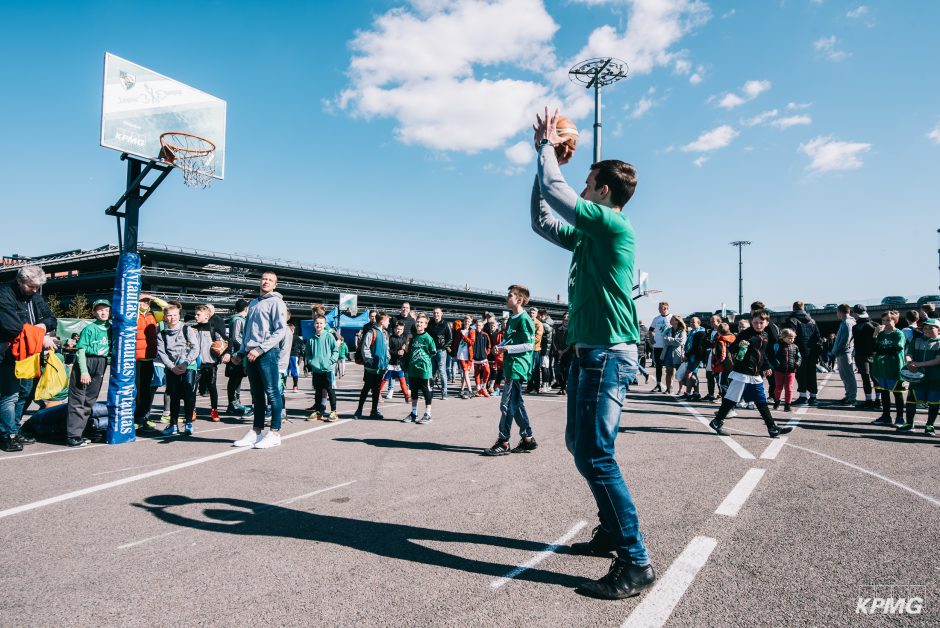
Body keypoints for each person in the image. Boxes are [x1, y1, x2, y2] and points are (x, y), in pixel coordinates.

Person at [529, 110, 654, 600]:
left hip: (608, 354)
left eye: (588, 182)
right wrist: (538, 162)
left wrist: (545, 148)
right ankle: (610, 531)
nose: (581, 187)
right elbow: (542, 218)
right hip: (589, 354)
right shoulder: (588, 234)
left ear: (604, 192)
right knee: (581, 448)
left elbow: (558, 195)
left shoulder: (611, 227)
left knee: (597, 455)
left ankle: (635, 560)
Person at [709, 310, 794, 439]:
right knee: (731, 399)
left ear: (766, 323)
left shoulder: (765, 336)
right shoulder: (745, 334)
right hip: (742, 373)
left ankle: (772, 428)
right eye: (755, 322)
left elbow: (762, 355)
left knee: (761, 401)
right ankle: (717, 421)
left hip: (755, 375)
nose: (758, 325)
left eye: (761, 322)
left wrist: (766, 367)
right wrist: (740, 346)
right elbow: (732, 349)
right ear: (751, 322)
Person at [0, 265, 57, 452]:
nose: (34, 290)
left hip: (31, 353)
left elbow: (51, 319)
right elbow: (12, 326)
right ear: (19, 281)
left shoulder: (35, 297)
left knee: (27, 392)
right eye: (31, 286)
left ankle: (14, 429)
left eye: (37, 287)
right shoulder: (4, 295)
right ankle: (6, 435)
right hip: (8, 353)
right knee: (9, 395)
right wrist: (41, 337)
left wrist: (41, 325)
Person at [233, 271, 288, 449]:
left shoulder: (277, 302)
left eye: (270, 280)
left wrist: (260, 348)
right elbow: (247, 331)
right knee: (256, 395)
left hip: (267, 353)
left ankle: (274, 432)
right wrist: (241, 352)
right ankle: (256, 431)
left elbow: (280, 331)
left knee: (272, 392)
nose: (266, 282)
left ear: (275, 284)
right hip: (250, 353)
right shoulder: (254, 302)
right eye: (264, 279)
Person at [483, 285, 535, 457]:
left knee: (506, 405)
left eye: (510, 295)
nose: (507, 297)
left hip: (517, 367)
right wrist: (501, 346)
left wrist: (507, 349)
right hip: (510, 365)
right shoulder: (512, 318)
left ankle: (503, 441)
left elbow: (529, 345)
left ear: (519, 299)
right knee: (516, 404)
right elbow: (509, 340)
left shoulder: (525, 319)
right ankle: (528, 438)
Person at [65, 299, 111, 447]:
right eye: (99, 310)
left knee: (90, 400)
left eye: (106, 309)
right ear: (94, 312)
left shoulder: (111, 328)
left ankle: (82, 432)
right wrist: (84, 371)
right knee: (78, 398)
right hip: (87, 361)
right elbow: (81, 350)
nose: (103, 312)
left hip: (101, 362)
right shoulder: (90, 329)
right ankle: (73, 435)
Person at [155, 303, 200, 437]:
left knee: (188, 394)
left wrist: (186, 363)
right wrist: (172, 367)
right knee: (173, 395)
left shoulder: (187, 329)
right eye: (169, 315)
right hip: (172, 367)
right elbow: (161, 352)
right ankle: (173, 425)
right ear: (164, 317)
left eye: (175, 315)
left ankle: (188, 423)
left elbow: (195, 348)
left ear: (179, 316)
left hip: (188, 365)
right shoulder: (162, 333)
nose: (172, 318)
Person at [134, 293, 168, 430]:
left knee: (146, 390)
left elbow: (168, 309)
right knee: (136, 390)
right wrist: (135, 302)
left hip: (148, 358)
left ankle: (144, 417)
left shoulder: (153, 315)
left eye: (147, 302)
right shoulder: (132, 313)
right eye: (142, 301)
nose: (145, 303)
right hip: (134, 359)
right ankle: (135, 418)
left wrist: (155, 299)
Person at [901, 318, 940, 435]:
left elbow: (937, 360)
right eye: (925, 327)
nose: (927, 330)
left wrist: (917, 364)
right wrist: (909, 362)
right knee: (911, 401)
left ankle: (929, 426)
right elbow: (908, 354)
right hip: (916, 378)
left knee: (933, 403)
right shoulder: (917, 340)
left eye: (931, 327)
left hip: (935, 378)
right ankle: (909, 424)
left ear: (938, 329)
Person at [870, 311, 906, 426]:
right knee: (884, 393)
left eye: (888, 320)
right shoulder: (880, 334)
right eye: (883, 320)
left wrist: (880, 351)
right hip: (882, 368)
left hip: (894, 368)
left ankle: (900, 418)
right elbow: (873, 348)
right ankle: (886, 416)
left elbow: (895, 349)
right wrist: (875, 334)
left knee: (897, 393)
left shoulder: (898, 334)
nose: (885, 323)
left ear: (895, 321)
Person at [784, 301, 822, 407]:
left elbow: (789, 336)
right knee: (812, 373)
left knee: (801, 374)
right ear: (803, 308)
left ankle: (803, 396)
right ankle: (813, 397)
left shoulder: (792, 320)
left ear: (793, 308)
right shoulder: (812, 321)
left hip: (798, 350)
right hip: (812, 351)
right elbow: (817, 337)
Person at [354, 312, 390, 419]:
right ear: (382, 321)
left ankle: (374, 410)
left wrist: (387, 359)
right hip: (371, 367)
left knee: (377, 389)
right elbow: (365, 347)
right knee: (366, 387)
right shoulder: (372, 332)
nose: (389, 323)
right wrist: (369, 361)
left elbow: (386, 348)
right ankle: (359, 410)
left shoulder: (385, 333)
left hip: (380, 367)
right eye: (387, 321)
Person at [193, 304, 224, 422]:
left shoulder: (213, 328)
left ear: (207, 315)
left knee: (212, 387)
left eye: (198, 314)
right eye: (195, 314)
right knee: (193, 388)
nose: (196, 316)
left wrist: (223, 350)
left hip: (211, 363)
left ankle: (214, 410)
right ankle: (192, 410)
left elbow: (224, 342)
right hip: (196, 364)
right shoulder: (193, 328)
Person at [404, 313, 436, 424]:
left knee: (426, 391)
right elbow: (407, 350)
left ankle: (428, 414)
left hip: (424, 369)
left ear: (426, 325)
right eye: (418, 321)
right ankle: (414, 413)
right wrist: (408, 340)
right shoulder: (412, 336)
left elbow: (433, 352)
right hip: (413, 367)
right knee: (414, 391)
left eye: (422, 322)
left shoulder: (428, 338)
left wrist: (424, 361)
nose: (419, 324)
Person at [305, 315, 339, 422]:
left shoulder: (329, 336)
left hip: (327, 369)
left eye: (321, 323)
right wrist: (311, 362)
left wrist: (330, 362)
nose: (319, 325)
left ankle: (333, 411)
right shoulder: (311, 338)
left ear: (324, 324)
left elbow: (335, 350)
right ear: (314, 324)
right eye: (317, 323)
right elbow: (308, 354)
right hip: (316, 370)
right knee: (318, 390)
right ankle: (319, 411)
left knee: (329, 389)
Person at [225, 298, 251, 416]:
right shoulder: (237, 320)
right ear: (246, 308)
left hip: (240, 353)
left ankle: (235, 402)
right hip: (236, 354)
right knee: (234, 379)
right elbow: (235, 337)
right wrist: (246, 347)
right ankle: (232, 404)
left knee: (238, 378)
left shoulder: (241, 319)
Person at [851, 304, 878, 408]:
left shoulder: (856, 327)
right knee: (875, 378)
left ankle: (868, 400)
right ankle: (878, 400)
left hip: (862, 355)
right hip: (874, 355)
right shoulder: (875, 325)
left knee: (865, 378)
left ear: (856, 314)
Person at [771, 328, 801, 412]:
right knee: (778, 388)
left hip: (791, 371)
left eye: (793, 338)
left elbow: (799, 357)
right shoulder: (777, 345)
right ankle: (777, 401)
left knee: (789, 388)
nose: (791, 340)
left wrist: (797, 363)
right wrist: (776, 363)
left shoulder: (795, 347)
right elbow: (772, 356)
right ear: (783, 337)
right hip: (779, 371)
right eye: (789, 338)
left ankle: (787, 405)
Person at [832, 304, 857, 405]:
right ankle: (849, 395)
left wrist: (835, 350)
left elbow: (845, 340)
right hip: (844, 352)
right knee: (845, 376)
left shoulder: (847, 322)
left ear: (840, 312)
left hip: (844, 352)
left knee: (848, 376)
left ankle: (851, 397)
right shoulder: (848, 322)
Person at [381, 321, 411, 402]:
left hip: (399, 364)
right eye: (397, 329)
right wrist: (396, 353)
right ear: (394, 329)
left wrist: (404, 351)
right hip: (390, 363)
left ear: (403, 329)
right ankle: (377, 394)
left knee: (402, 379)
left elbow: (407, 350)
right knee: (385, 379)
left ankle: (407, 396)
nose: (399, 330)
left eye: (401, 329)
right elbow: (388, 350)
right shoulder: (391, 338)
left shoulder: (404, 338)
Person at [426, 307, 452, 400]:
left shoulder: (445, 324)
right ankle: (430, 392)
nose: (436, 314)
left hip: (441, 351)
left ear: (441, 314)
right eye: (434, 313)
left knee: (442, 372)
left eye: (437, 313)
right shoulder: (430, 324)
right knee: (431, 372)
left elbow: (450, 338)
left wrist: (443, 347)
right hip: (432, 351)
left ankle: (444, 393)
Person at [680, 316, 707, 400]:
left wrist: (687, 355)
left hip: (696, 356)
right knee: (693, 375)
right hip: (690, 354)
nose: (691, 324)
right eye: (690, 322)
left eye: (693, 322)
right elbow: (688, 343)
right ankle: (696, 393)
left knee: (689, 373)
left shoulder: (701, 332)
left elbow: (697, 347)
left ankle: (688, 393)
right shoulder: (692, 331)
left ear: (698, 323)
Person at [661, 315, 687, 396]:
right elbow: (664, 339)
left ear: (677, 321)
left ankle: (680, 389)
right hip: (668, 352)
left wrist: (670, 340)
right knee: (668, 372)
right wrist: (673, 340)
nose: (670, 320)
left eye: (672, 319)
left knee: (679, 372)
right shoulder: (668, 329)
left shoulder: (682, 331)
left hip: (678, 354)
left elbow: (681, 342)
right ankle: (668, 388)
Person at [649, 302, 670, 392]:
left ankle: (669, 387)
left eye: (660, 308)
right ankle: (658, 384)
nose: (659, 309)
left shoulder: (672, 317)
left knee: (669, 367)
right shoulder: (656, 319)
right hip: (658, 346)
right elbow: (650, 330)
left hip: (668, 346)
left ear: (665, 308)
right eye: (659, 308)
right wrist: (652, 339)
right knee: (658, 366)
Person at [455, 314, 476, 399]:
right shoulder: (459, 330)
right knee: (465, 371)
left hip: (469, 354)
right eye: (465, 321)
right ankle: (470, 390)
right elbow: (456, 342)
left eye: (468, 321)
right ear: (463, 321)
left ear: (471, 322)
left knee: (465, 373)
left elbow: (471, 342)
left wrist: (464, 336)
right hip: (461, 354)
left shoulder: (472, 331)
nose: (467, 322)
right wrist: (454, 353)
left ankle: (461, 390)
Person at [472, 319, 492, 397]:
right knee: (476, 374)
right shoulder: (472, 334)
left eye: (479, 325)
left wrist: (486, 353)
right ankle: (478, 390)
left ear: (482, 326)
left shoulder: (485, 335)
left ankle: (483, 388)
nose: (478, 327)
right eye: (477, 325)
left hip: (483, 358)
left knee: (487, 371)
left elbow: (489, 346)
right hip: (475, 358)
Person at [527, 307, 544, 393]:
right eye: (530, 312)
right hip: (527, 349)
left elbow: (537, 337)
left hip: (535, 349)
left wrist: (527, 342)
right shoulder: (526, 322)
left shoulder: (539, 324)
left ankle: (536, 388)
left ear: (536, 314)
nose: (531, 314)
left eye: (533, 313)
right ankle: (529, 387)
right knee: (528, 368)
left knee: (535, 369)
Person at [553, 312, 570, 395]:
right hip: (558, 353)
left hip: (568, 354)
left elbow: (571, 342)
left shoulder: (571, 329)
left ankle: (564, 388)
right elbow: (554, 340)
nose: (565, 318)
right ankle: (562, 388)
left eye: (567, 317)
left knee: (566, 371)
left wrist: (564, 351)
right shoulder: (558, 328)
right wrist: (558, 350)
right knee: (558, 371)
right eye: (564, 317)